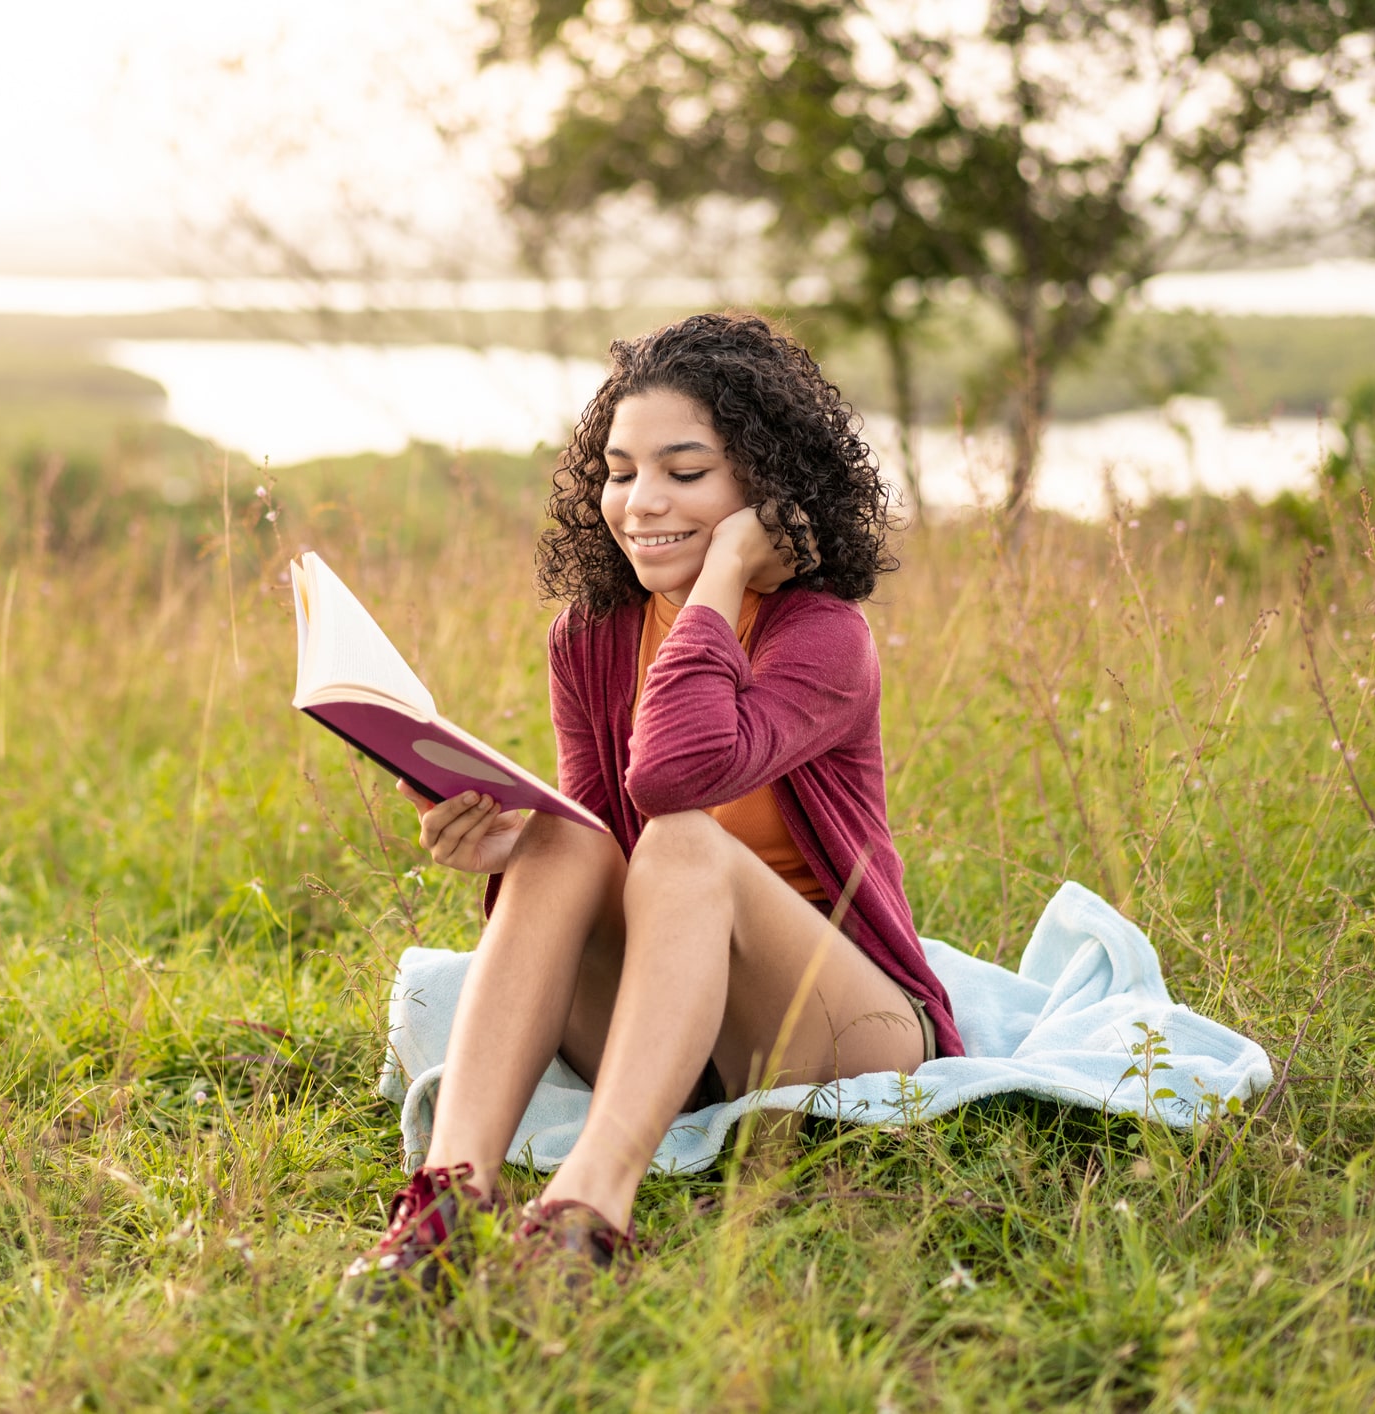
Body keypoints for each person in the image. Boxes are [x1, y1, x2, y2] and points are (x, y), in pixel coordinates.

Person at [342, 311, 963, 1296]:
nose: (639, 503)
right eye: (620, 471)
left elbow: (674, 777)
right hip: (667, 1026)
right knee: (562, 837)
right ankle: (446, 1201)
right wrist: (499, 850)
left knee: (681, 839)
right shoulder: (588, 637)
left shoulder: (820, 636)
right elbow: (595, 853)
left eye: (685, 472)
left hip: (833, 1028)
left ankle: (584, 1215)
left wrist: (718, 577)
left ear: (762, 485)